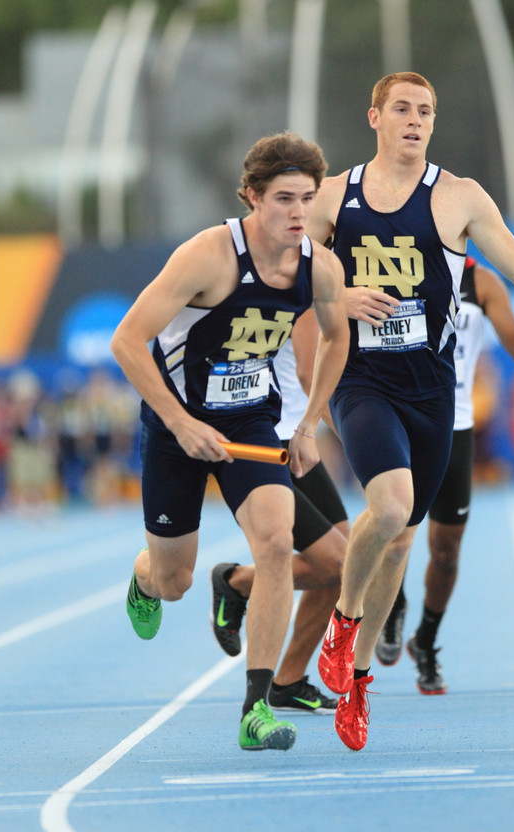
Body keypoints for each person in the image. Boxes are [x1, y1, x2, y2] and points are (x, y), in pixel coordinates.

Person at [306, 71, 514, 751]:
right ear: (373, 116)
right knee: (392, 507)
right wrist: (337, 303)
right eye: (400, 108)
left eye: (425, 110)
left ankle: (359, 675)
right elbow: (283, 272)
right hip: (361, 380)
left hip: (433, 392)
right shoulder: (333, 196)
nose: (414, 119)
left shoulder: (457, 197)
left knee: (400, 539)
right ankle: (341, 626)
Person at [110, 131, 349, 752]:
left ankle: (256, 707)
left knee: (273, 542)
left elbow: (335, 337)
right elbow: (127, 342)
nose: (299, 214)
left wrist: (309, 424)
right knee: (175, 581)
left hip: (249, 425)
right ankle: (144, 577)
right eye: (284, 200)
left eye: (307, 199)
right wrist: (183, 423)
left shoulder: (320, 265)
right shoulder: (207, 256)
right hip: (176, 427)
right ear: (251, 197)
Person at [374, 255, 514, 692]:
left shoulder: (482, 281)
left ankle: (427, 641)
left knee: (446, 547)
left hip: (455, 422)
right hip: (401, 416)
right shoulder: (395, 266)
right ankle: (392, 605)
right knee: (395, 528)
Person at [210, 307, 351, 714]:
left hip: (294, 437)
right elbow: (308, 374)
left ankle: (287, 681)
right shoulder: (304, 281)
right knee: (341, 563)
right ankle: (236, 581)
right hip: (278, 442)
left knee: (346, 568)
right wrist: (354, 438)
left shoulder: (329, 279)